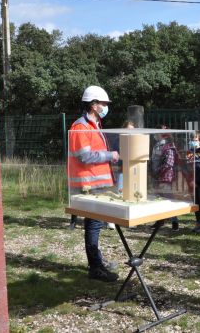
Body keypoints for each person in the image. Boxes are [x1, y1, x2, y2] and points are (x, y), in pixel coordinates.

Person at [68, 85, 119, 282]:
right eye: (104, 103)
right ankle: (95, 267)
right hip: (89, 184)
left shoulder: (93, 125)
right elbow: (85, 156)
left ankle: (97, 261)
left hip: (97, 184)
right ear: (94, 105)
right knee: (94, 225)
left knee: (95, 224)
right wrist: (110, 155)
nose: (106, 107)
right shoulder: (81, 127)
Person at [155, 131, 179, 230]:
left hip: (167, 177)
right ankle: (160, 221)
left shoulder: (169, 149)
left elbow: (168, 164)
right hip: (160, 177)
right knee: (160, 200)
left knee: (169, 199)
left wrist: (157, 170)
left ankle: (175, 222)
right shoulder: (160, 147)